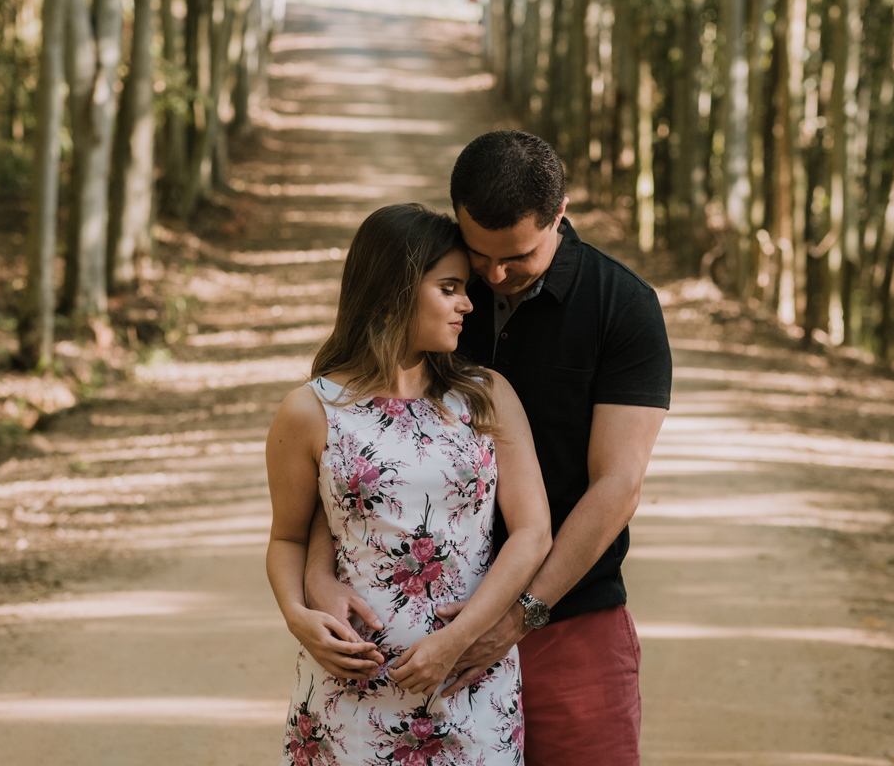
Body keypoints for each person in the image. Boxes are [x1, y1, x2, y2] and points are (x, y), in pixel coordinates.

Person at [306, 132, 671, 766]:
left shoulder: (622, 306)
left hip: (566, 615)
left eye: (518, 256)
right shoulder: (433, 291)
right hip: (421, 627)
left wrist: (515, 619)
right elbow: (347, 458)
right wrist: (315, 581)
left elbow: (617, 485)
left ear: (559, 215)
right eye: (481, 255)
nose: (494, 276)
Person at [266, 203, 552, 766]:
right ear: (395, 289)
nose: (468, 303)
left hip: (468, 688)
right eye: (449, 287)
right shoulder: (311, 410)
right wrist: (298, 617)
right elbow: (288, 539)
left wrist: (459, 639)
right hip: (348, 697)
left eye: (464, 288)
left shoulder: (484, 395)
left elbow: (533, 533)